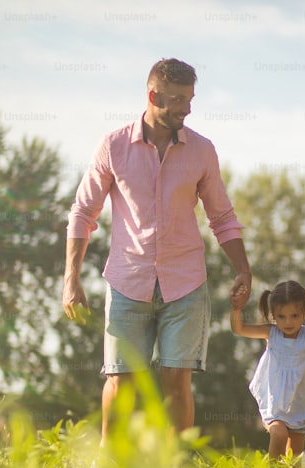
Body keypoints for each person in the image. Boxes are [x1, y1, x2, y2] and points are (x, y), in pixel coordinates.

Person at [62, 58, 252, 442]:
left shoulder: (201, 151)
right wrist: (71, 279)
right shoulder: (114, 146)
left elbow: (222, 216)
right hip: (127, 283)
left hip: (185, 285)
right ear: (153, 96)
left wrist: (242, 270)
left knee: (175, 383)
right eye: (179, 99)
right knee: (121, 382)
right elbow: (83, 212)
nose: (187, 108)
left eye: (190, 99)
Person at [231, 280, 305, 460]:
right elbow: (239, 329)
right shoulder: (271, 333)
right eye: (281, 317)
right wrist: (236, 309)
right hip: (275, 400)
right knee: (279, 434)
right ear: (273, 315)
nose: (288, 322)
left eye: (294, 315)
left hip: (299, 401)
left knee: (294, 458)